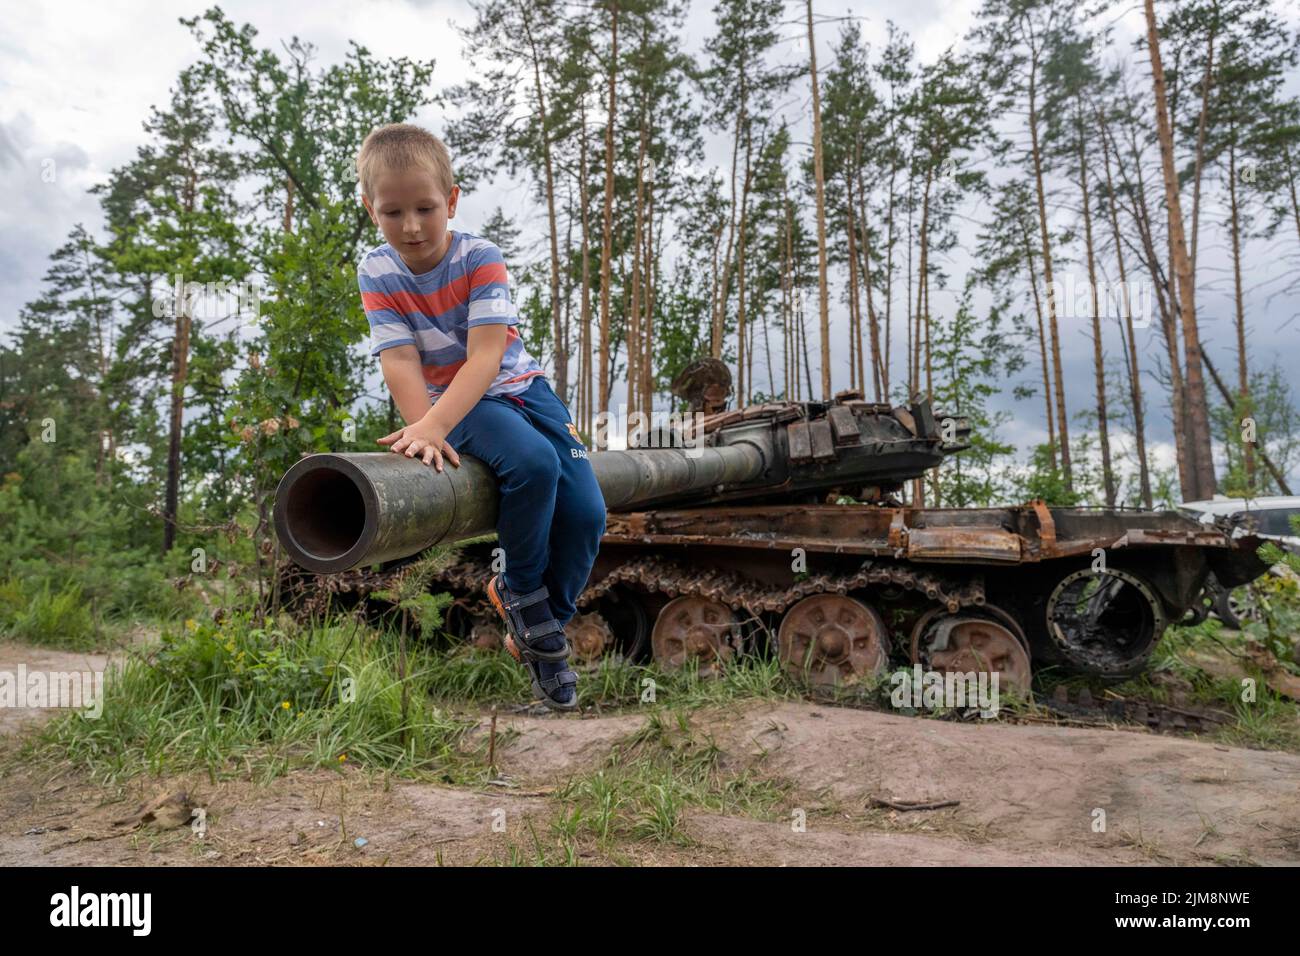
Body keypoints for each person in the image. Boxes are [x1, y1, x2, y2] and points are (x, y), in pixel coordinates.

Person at [355, 123, 605, 711]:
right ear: (371, 210)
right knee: (534, 466)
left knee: (589, 509)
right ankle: (524, 597)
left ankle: (536, 617)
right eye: (393, 212)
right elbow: (399, 358)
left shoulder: (480, 258)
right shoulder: (377, 271)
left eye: (425, 208)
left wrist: (433, 426)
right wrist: (427, 428)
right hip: (457, 401)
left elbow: (488, 353)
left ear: (453, 200)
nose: (411, 226)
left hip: (524, 387)